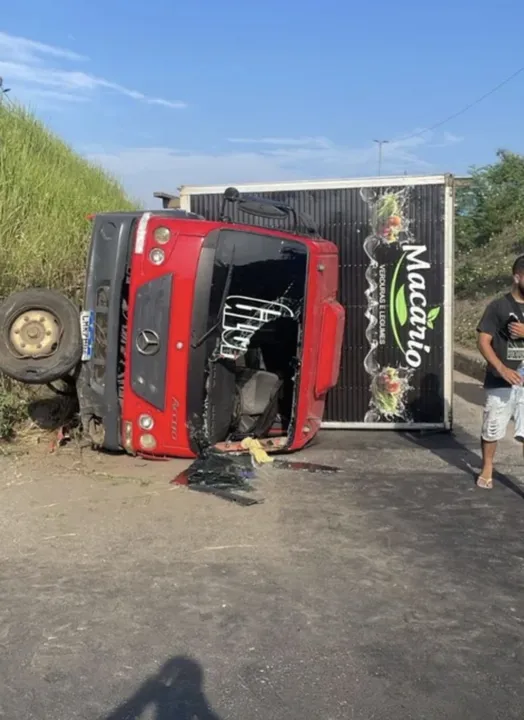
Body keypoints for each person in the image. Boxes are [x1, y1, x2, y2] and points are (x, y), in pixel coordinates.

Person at [476, 255, 524, 489]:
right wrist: (501, 368)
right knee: (492, 427)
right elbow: (483, 341)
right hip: (501, 380)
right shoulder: (498, 306)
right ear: (517, 277)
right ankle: (487, 467)